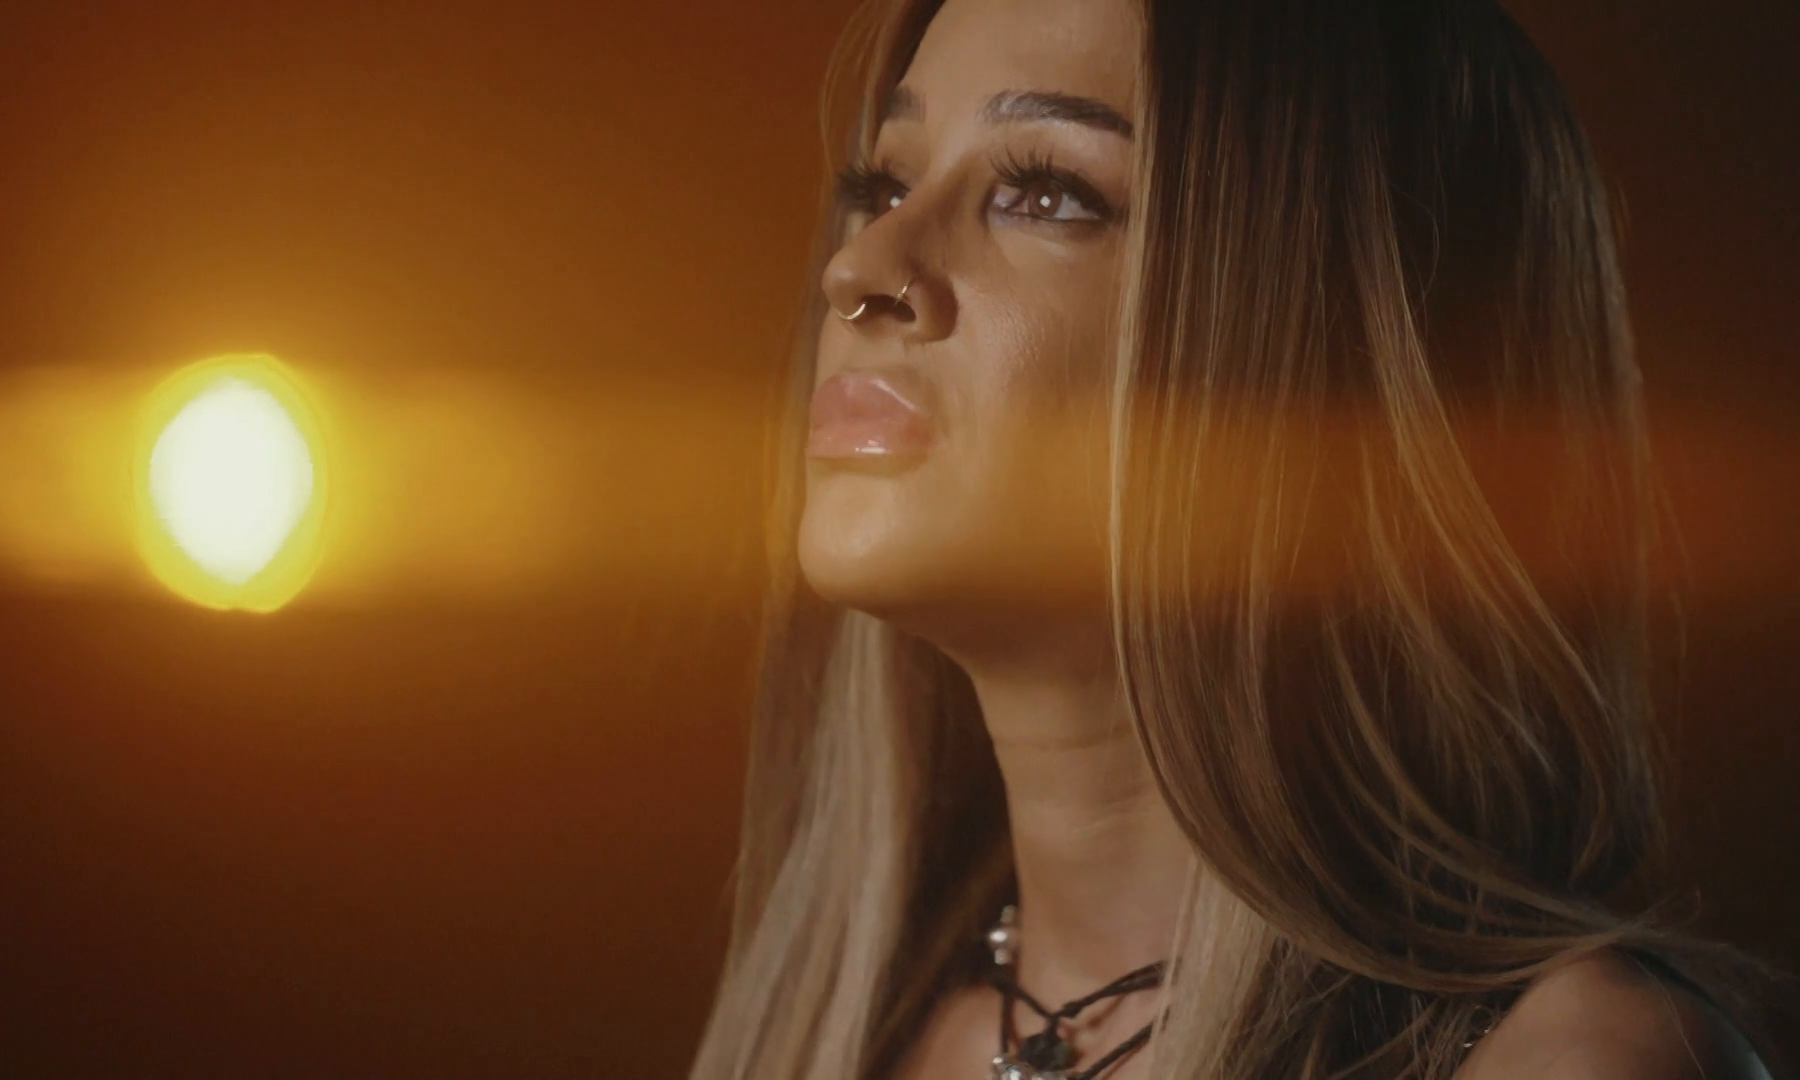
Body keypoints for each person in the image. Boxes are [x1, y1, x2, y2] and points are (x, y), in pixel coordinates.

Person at [688, 0, 1791, 1076]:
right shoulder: (826, 1039)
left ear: (1324, 355)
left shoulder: (1578, 1060)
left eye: (1046, 194)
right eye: (884, 185)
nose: (858, 268)